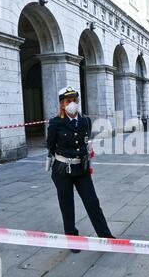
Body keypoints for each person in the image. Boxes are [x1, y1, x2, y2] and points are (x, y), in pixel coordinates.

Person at [47, 86, 115, 253]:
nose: (72, 104)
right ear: (62, 104)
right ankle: (72, 239)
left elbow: (85, 142)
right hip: (63, 170)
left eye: (74, 101)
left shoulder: (85, 121)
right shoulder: (56, 123)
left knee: (92, 202)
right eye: (68, 101)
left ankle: (105, 237)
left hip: (82, 168)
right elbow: (50, 146)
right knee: (67, 205)